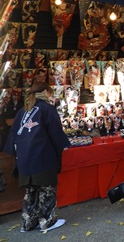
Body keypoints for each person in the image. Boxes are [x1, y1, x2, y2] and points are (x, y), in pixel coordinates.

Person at [3, 82, 70, 232]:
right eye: (50, 92)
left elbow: (14, 136)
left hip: (24, 159)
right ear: (45, 92)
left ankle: (28, 223)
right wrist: (62, 146)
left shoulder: (22, 111)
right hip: (43, 156)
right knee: (47, 190)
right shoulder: (47, 109)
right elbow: (55, 132)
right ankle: (47, 221)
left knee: (30, 192)